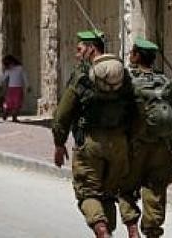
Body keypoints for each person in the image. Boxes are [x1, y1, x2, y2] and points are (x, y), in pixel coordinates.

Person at [52, 30, 134, 238]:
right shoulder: (122, 75)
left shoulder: (82, 76)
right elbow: (134, 109)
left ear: (91, 49)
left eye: (80, 49)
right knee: (108, 194)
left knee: (88, 193)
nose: (77, 54)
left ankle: (103, 232)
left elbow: (62, 114)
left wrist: (59, 143)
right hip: (119, 144)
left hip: (91, 143)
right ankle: (113, 231)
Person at [118, 39, 172, 238]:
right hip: (162, 147)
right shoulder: (165, 82)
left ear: (137, 56)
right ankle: (152, 231)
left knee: (124, 188)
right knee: (156, 189)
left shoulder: (127, 82)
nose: (130, 55)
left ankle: (132, 228)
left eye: (132, 52)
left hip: (135, 147)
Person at [1, 55, 27, 122]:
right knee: (11, 102)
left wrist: (27, 85)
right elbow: (3, 78)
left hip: (17, 89)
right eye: (7, 65)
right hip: (12, 89)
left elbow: (24, 77)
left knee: (15, 103)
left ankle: (13, 116)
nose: (9, 66)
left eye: (9, 64)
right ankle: (6, 112)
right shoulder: (9, 70)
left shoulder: (20, 68)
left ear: (13, 62)